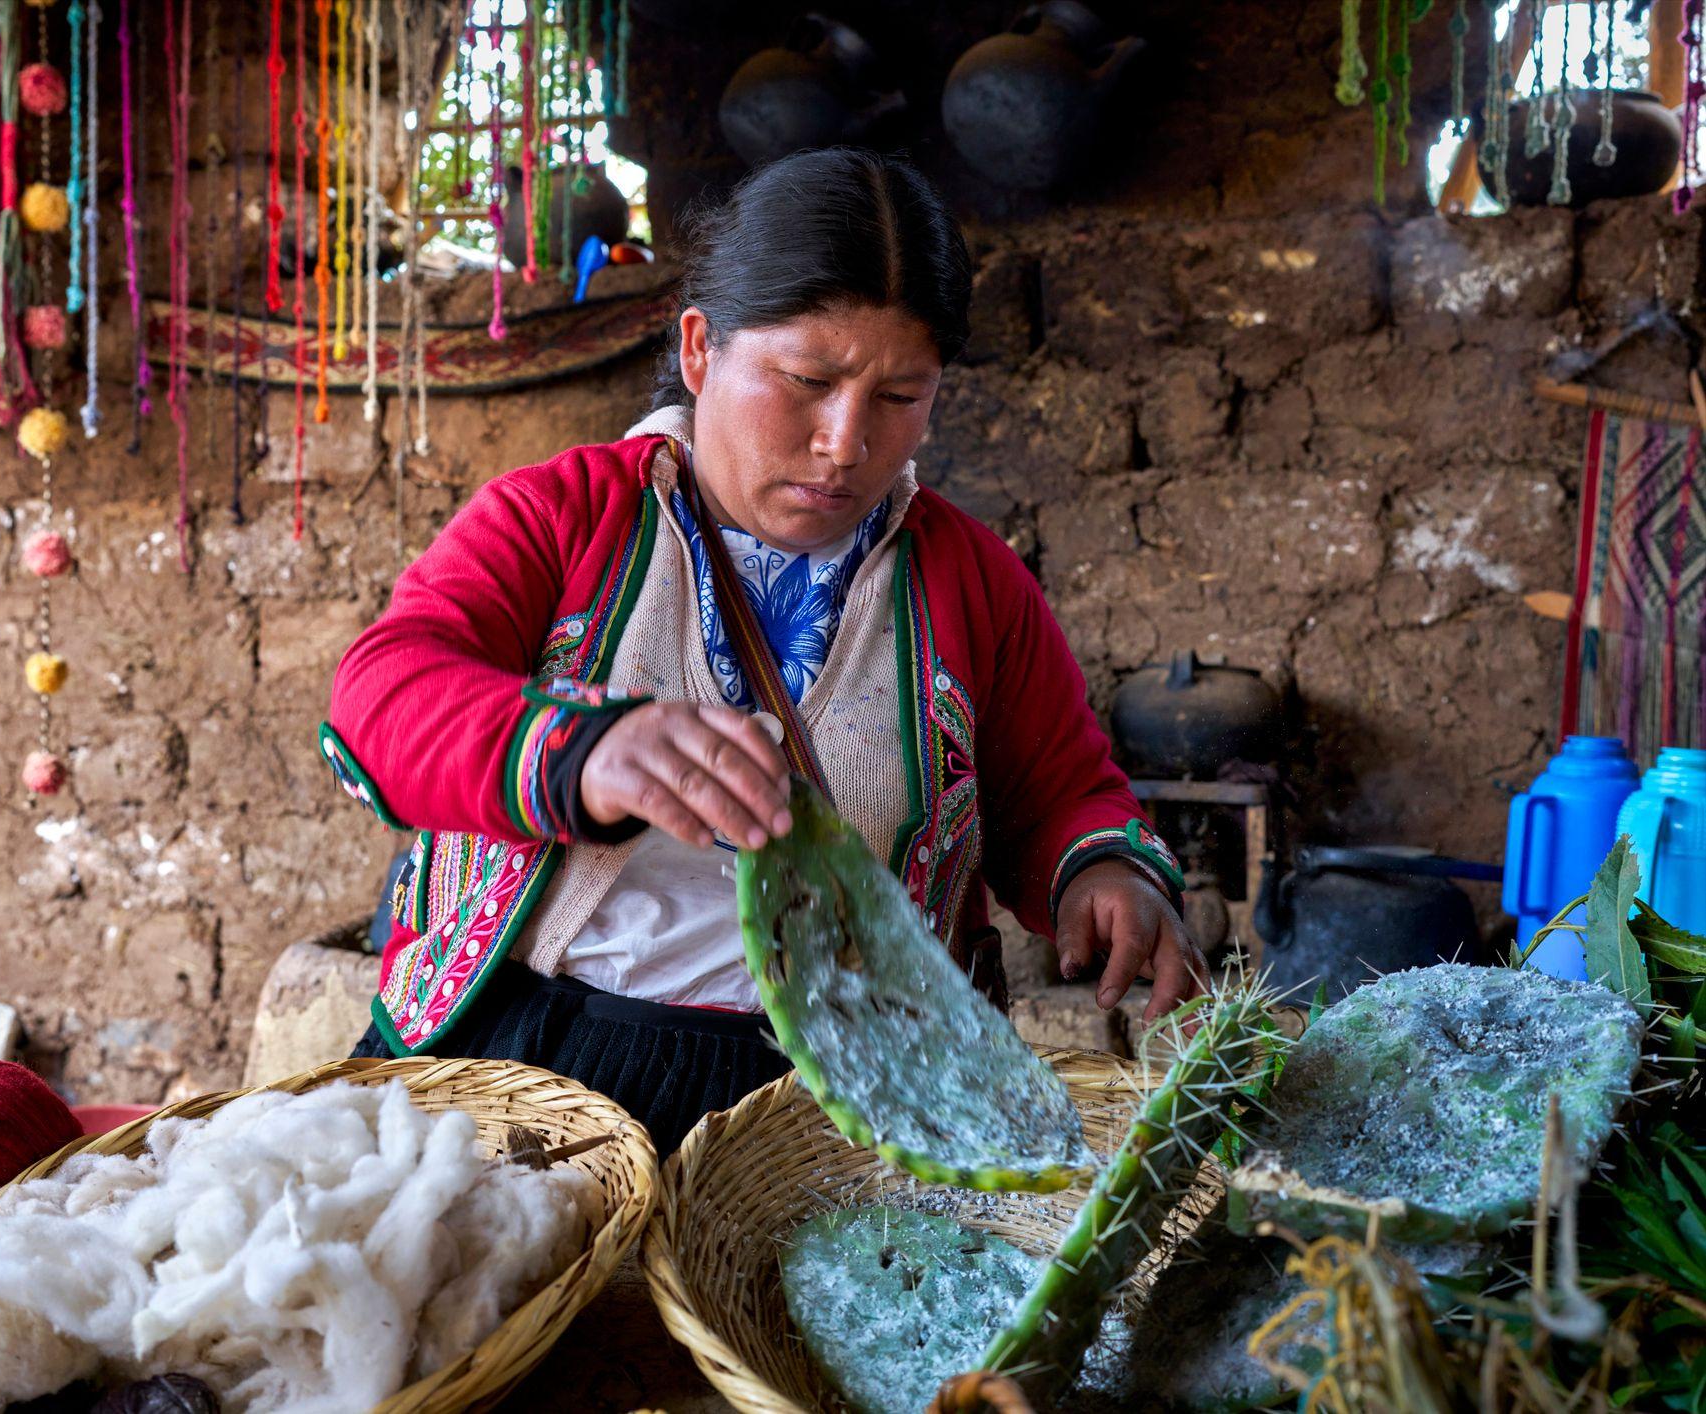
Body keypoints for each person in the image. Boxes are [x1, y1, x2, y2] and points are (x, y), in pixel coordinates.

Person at [320, 147, 1205, 1155]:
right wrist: (579, 751)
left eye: (899, 396)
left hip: (848, 1109)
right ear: (700, 350)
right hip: (537, 1066)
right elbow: (381, 698)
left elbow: (1060, 792)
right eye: (808, 380)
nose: (844, 441)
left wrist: (1101, 875)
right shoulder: (562, 517)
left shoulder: (974, 582)